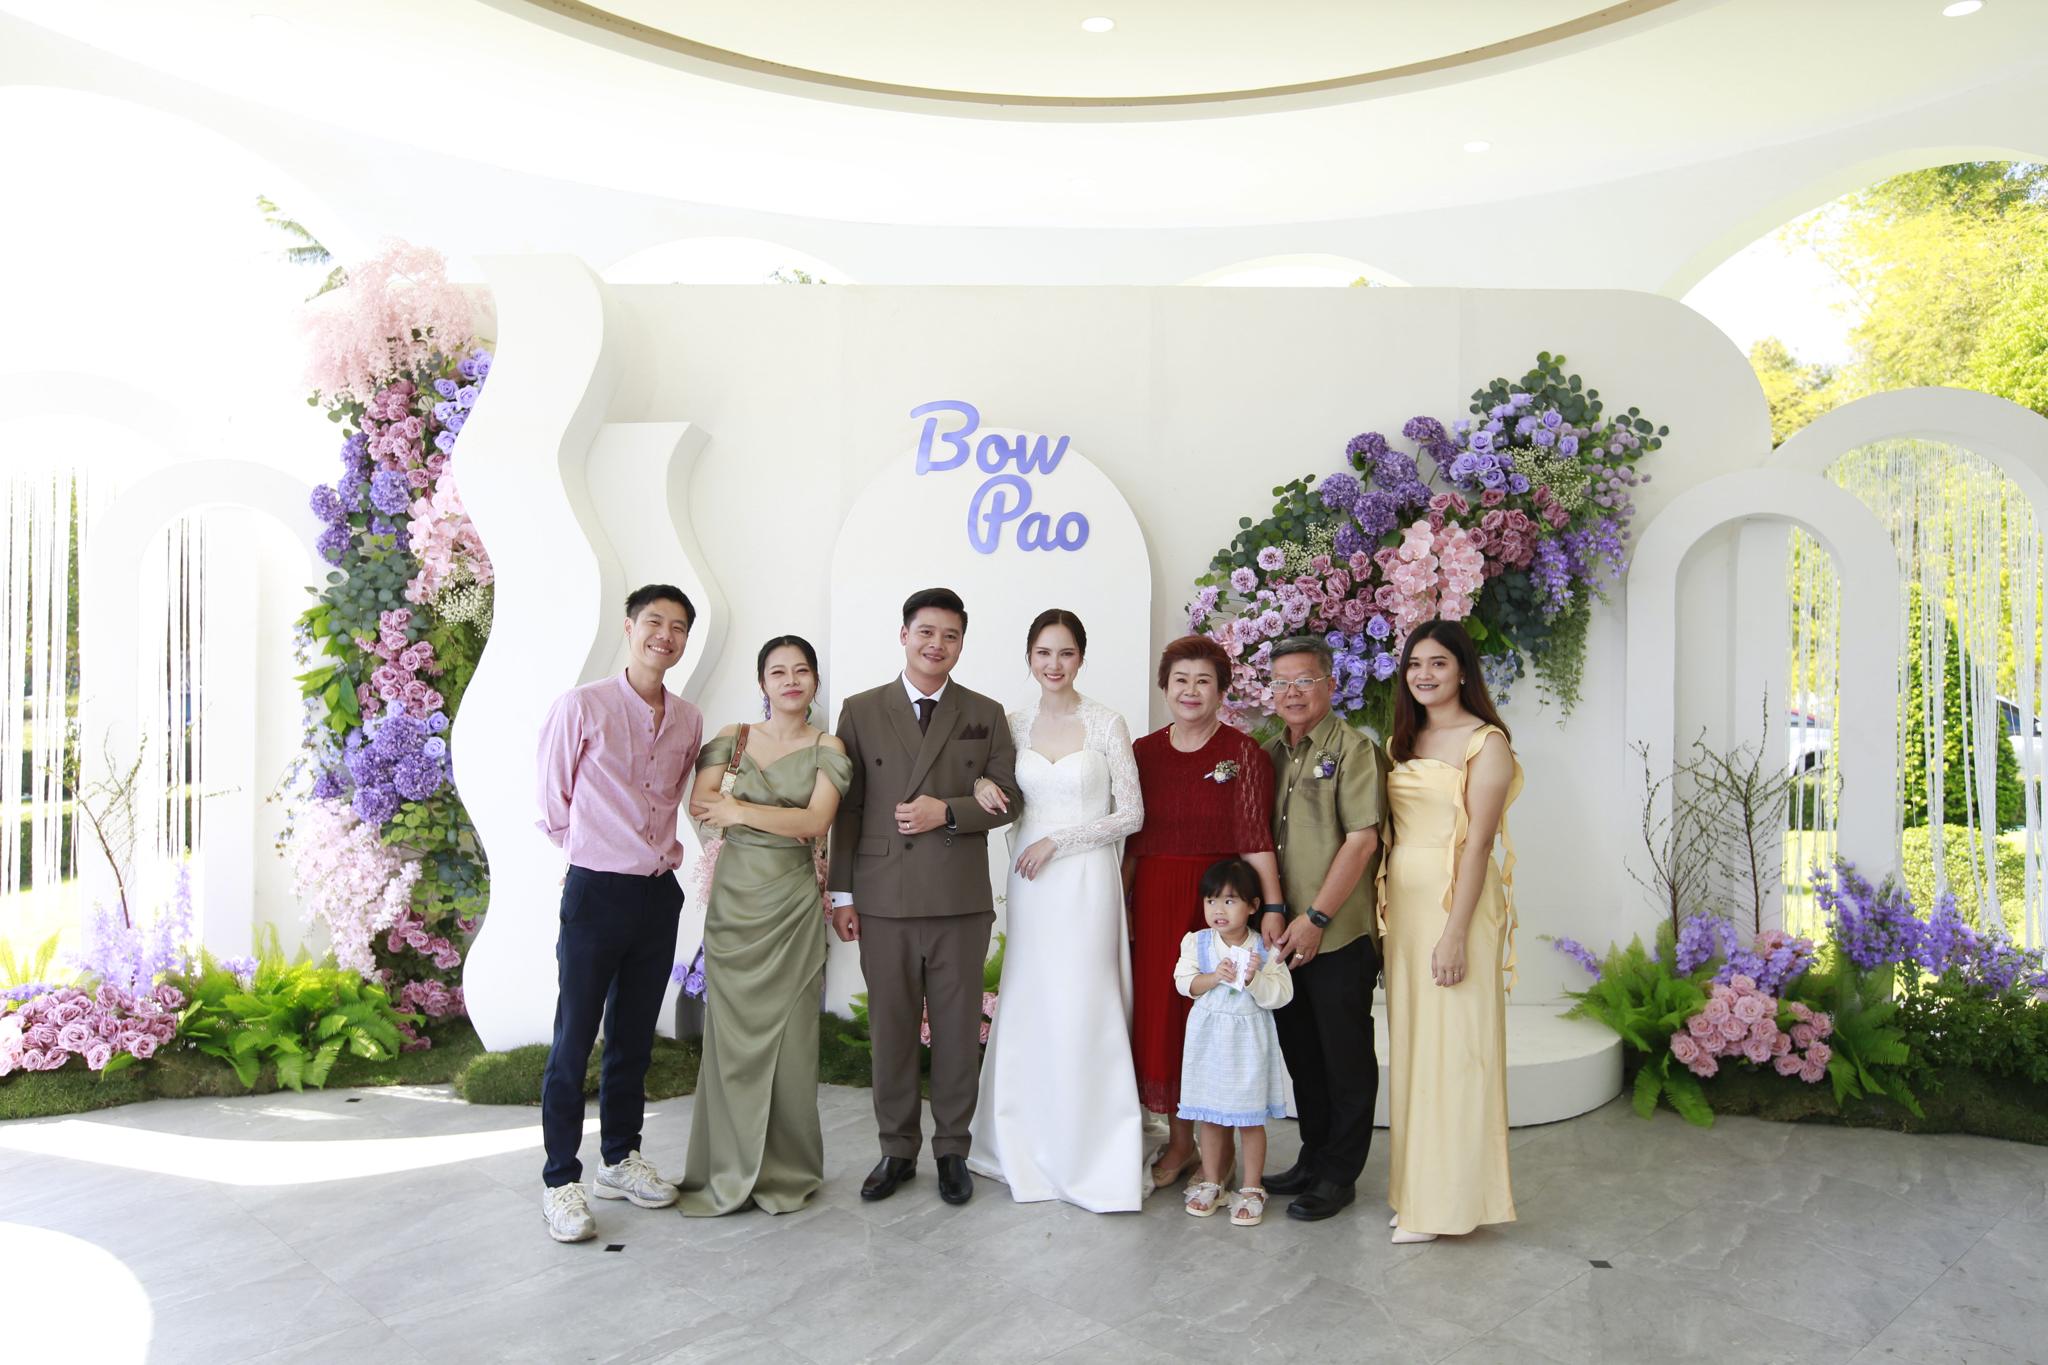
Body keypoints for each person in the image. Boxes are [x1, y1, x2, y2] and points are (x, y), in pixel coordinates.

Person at [828, 587, 1023, 1206]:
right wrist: (841, 893)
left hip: (958, 897)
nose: (937, 644)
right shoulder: (861, 710)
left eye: (951, 635)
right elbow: (848, 809)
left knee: (959, 1031)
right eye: (926, 632)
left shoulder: (985, 712)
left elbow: (1010, 799)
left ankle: (952, 1150)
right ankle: (896, 1148)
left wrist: (950, 811)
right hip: (882, 895)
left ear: (962, 643)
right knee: (891, 1028)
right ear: (904, 635)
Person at [533, 584, 704, 1243]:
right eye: (654, 621)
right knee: (574, 1038)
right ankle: (560, 1181)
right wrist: (595, 853)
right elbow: (553, 805)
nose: (666, 634)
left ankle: (619, 1158)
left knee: (634, 1036)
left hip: (658, 894)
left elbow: (679, 797)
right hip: (596, 891)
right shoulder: (582, 705)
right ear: (629, 628)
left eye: (678, 626)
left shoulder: (688, 719)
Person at [966, 610, 1145, 1213]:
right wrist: (983, 790)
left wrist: (1059, 841)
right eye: (1043, 653)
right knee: (1034, 993)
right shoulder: (1012, 725)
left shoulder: (1106, 722)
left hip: (1086, 877)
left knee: (1083, 996)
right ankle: (1023, 1137)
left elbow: (1132, 814)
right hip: (1031, 883)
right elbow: (1000, 792)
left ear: (1081, 658)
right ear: (1029, 657)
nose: (1054, 664)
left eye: (1065, 653)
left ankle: (1092, 1145)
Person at [677, 636, 851, 1216]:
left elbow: (816, 822)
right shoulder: (733, 738)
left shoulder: (828, 746)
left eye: (801, 671)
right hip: (734, 906)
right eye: (778, 672)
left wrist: (742, 812)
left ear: (815, 681)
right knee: (729, 1039)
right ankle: (725, 1165)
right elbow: (701, 804)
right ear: (762, 683)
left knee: (793, 1040)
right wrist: (765, 817)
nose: (791, 680)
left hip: (792, 903)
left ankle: (786, 1171)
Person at [1124, 636, 1282, 1193]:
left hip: (1219, 905)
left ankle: (1221, 1149)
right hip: (1154, 900)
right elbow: (1130, 839)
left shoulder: (1244, 753)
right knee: (1164, 1019)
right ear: (1164, 687)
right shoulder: (1142, 752)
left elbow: (1257, 839)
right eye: (1180, 680)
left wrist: (1273, 906)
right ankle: (1180, 1142)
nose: (1190, 691)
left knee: (1215, 1022)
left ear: (1221, 691)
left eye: (1203, 681)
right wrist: (1122, 905)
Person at [1381, 620, 1521, 1244]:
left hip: (1455, 905)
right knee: (1416, 1049)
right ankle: (1417, 1192)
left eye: (1438, 662)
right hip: (1406, 910)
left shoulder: (1486, 743)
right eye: (1415, 664)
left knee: (1454, 1053)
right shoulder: (1404, 737)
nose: (1424, 674)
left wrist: (1456, 933)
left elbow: (1479, 843)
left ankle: (1444, 1206)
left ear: (1463, 670)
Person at [1262, 635, 1386, 1223]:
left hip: (1337, 935)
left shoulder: (1355, 750)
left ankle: (1340, 1173)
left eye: (1305, 680)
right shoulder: (1269, 754)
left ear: (1330, 685)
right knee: (1303, 1056)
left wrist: (1315, 918)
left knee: (1345, 1059)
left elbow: (1361, 841)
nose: (1292, 692)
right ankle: (1313, 1156)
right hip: (1283, 939)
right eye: (1281, 682)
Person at [1175, 857, 1293, 1227]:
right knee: (1211, 1117)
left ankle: (1252, 1187)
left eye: (1229, 901)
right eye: (1211, 901)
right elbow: (1184, 982)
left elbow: (1282, 994)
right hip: (1209, 1042)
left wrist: (1255, 978)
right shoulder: (1197, 942)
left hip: (1248, 1044)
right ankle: (1213, 1181)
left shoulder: (1264, 948)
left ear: (1253, 906)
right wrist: (1213, 977)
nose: (1218, 910)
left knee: (1249, 1119)